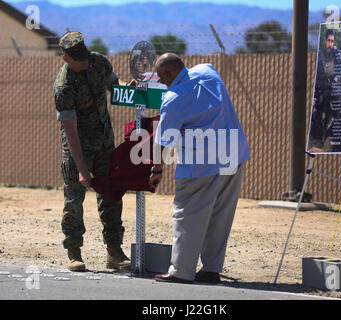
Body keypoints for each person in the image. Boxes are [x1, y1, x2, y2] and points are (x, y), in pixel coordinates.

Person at [150, 53, 250, 284]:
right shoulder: (208, 71)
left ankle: (181, 271)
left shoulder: (173, 99)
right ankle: (212, 269)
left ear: (167, 74)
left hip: (201, 164)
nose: (161, 81)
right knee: (220, 215)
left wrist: (157, 170)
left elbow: (163, 140)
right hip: (233, 155)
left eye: (161, 76)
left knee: (187, 215)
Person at [54, 31, 131, 272]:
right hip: (79, 149)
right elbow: (70, 131)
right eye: (79, 59)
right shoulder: (63, 88)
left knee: (111, 195)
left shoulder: (98, 61)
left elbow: (114, 85)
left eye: (85, 55)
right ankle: (74, 252)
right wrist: (81, 168)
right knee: (74, 201)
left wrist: (126, 88)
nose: (85, 61)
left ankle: (114, 252)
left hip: (105, 144)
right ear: (66, 59)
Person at [308, 28, 340, 152]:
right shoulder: (320, 57)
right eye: (328, 41)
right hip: (321, 94)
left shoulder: (337, 55)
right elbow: (317, 79)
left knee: (330, 118)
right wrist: (315, 98)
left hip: (332, 95)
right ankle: (318, 141)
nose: (330, 44)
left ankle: (326, 141)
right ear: (325, 41)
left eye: (332, 41)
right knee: (317, 118)